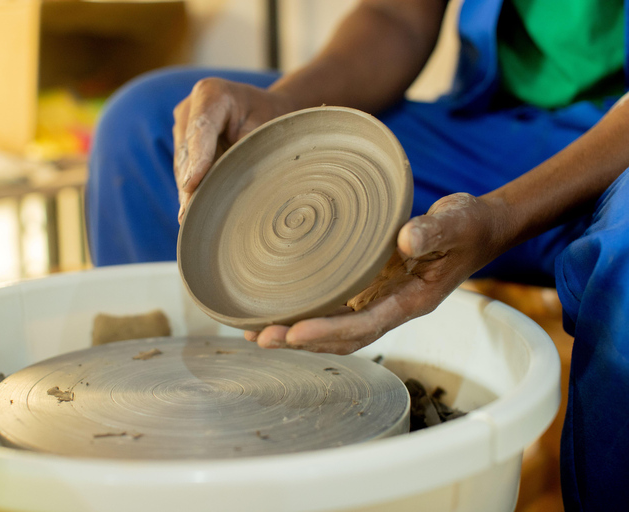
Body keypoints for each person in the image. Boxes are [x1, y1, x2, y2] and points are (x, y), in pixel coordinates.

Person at [86, 1, 629, 509]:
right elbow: (395, 16)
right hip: (491, 131)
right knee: (142, 128)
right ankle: (189, 447)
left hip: (615, 146)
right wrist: (285, 103)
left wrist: (502, 218)